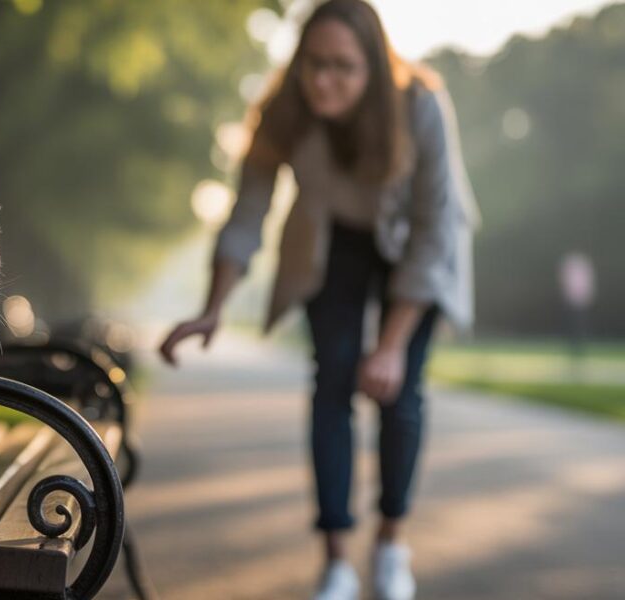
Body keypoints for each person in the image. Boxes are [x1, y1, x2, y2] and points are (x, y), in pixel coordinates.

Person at [159, 1, 478, 599]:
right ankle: (336, 561)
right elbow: (246, 213)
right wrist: (213, 306)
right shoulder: (283, 110)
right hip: (332, 246)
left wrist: (387, 346)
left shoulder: (421, 105)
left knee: (399, 388)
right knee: (331, 384)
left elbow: (436, 230)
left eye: (343, 67)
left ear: (374, 70)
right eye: (312, 63)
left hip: (417, 250)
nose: (323, 79)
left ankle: (390, 546)